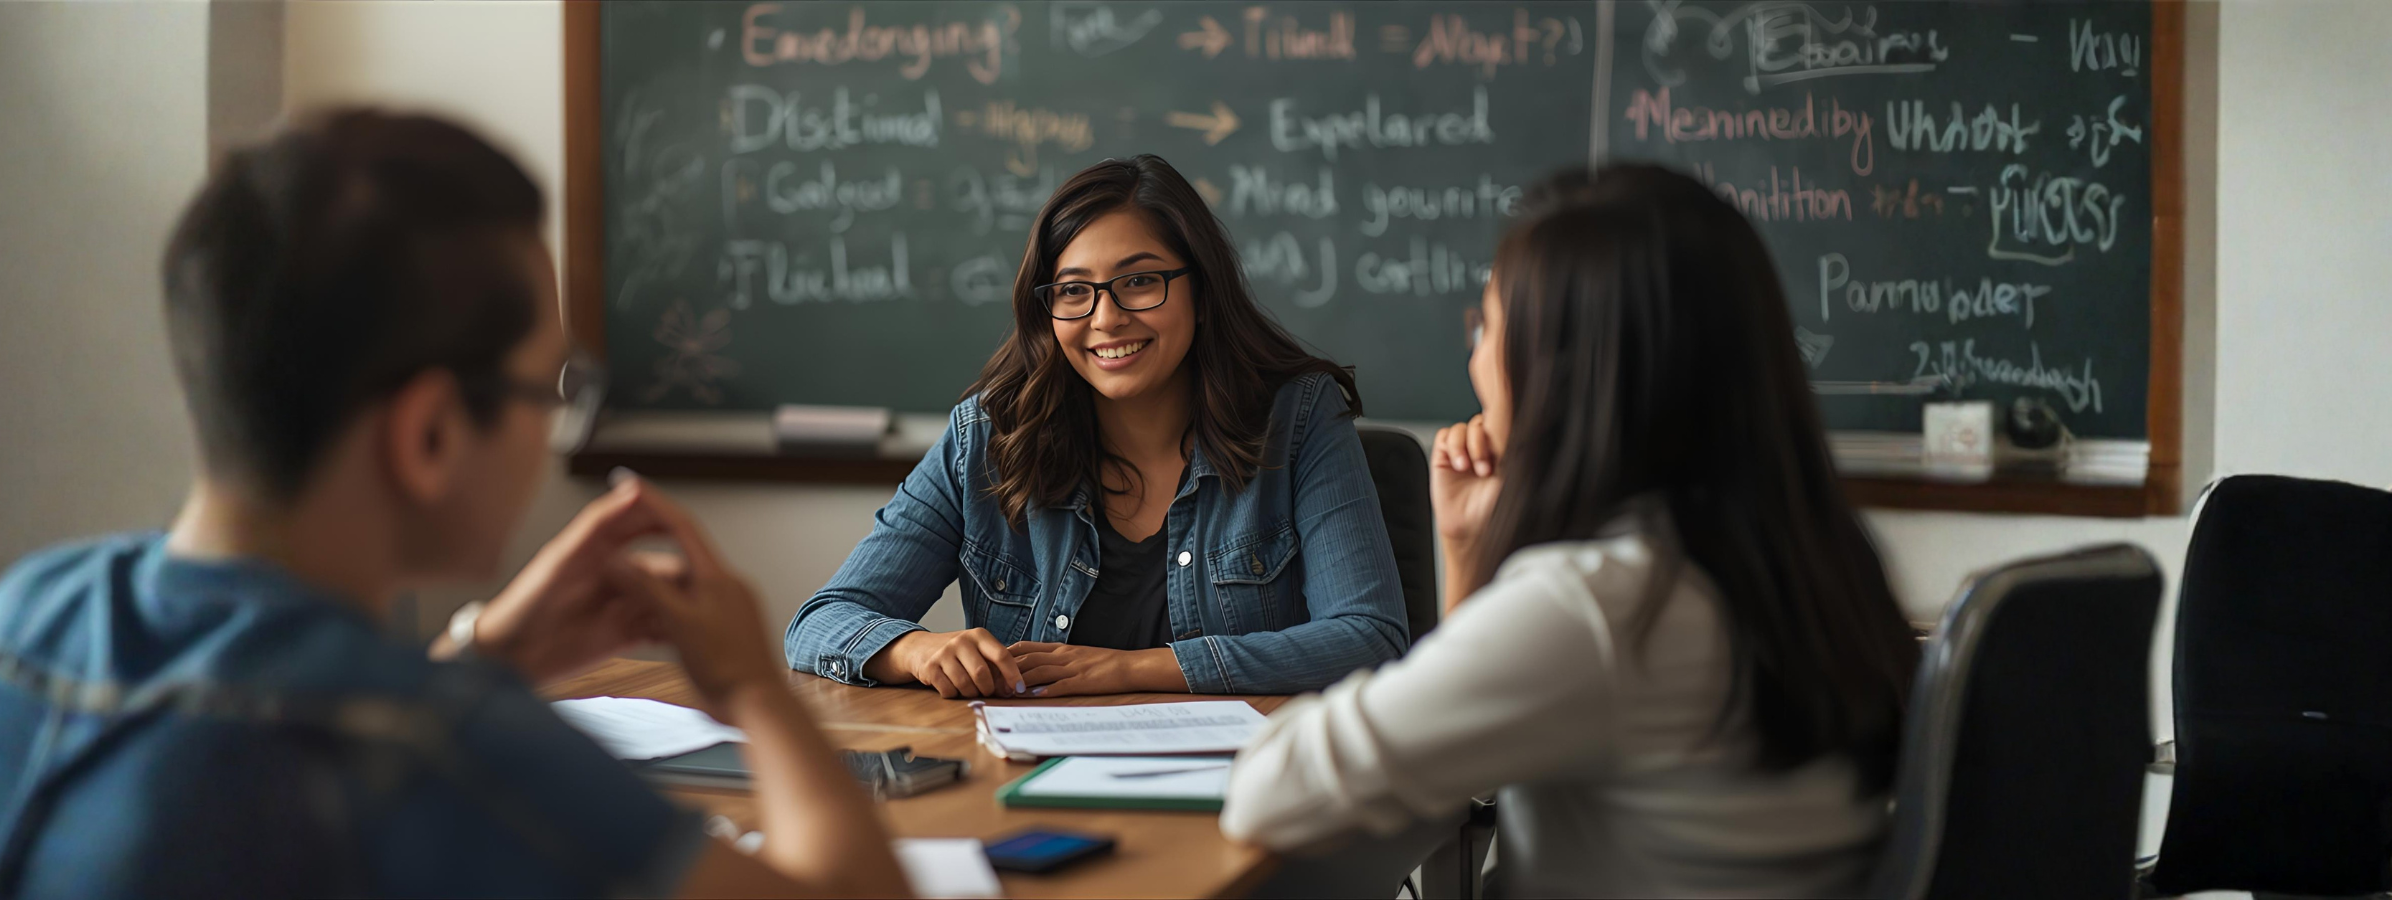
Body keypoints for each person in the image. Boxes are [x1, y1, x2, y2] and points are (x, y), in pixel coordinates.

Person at [0, 110, 909, 899]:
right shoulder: (452, 750)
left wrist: (483, 662)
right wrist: (750, 692)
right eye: (546, 388)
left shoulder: (27, 612)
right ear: (426, 436)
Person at [1219, 165, 1922, 898]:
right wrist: (1464, 546)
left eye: (1487, 324)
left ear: (1566, 368)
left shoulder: (1601, 603)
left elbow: (1274, 791)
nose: (1477, 355)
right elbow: (1476, 750)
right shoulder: (1809, 560)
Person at [783, 155, 1407, 699]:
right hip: (1033, 777)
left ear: (1202, 290)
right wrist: (916, 651)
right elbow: (821, 622)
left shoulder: (1298, 421)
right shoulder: (989, 437)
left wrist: (1134, 670)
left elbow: (1368, 638)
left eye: (1139, 282)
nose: (1106, 318)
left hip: (1247, 783)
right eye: (1074, 291)